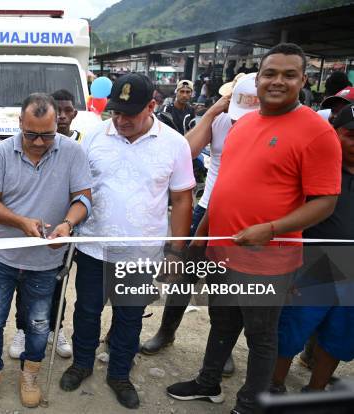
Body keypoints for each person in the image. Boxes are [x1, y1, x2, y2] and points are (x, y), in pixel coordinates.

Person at [166, 43, 342, 414]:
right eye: (270, 73)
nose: (277, 81)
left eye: (288, 74)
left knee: (262, 335)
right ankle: (207, 382)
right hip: (221, 248)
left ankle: (251, 404)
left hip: (268, 257)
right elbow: (223, 185)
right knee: (222, 319)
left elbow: (325, 202)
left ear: (303, 81)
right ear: (257, 79)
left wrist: (272, 228)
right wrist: (202, 236)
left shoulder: (316, 132)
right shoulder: (244, 125)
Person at [60, 73, 195, 409]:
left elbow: (181, 200)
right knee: (87, 311)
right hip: (93, 247)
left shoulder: (174, 144)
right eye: (116, 112)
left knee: (130, 315)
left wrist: (176, 252)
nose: (120, 121)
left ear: (152, 105)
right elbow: (78, 189)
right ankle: (82, 364)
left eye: (129, 114)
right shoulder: (93, 137)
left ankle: (120, 373)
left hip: (142, 252)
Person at [0, 93, 92, 412]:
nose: (39, 142)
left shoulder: (72, 152)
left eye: (48, 134)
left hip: (45, 260)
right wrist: (21, 222)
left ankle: (30, 375)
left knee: (39, 323)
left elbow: (84, 198)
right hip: (0, 257)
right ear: (20, 123)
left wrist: (67, 224)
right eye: (32, 133)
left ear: (58, 125)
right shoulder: (0, 152)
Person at [141, 72, 260, 377]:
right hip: (207, 208)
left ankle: (223, 347)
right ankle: (166, 332)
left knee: (227, 284)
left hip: (246, 217)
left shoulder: (268, 127)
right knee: (187, 275)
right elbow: (183, 154)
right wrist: (210, 113)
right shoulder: (220, 120)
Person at [270, 103, 354, 394]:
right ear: (335, 133)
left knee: (340, 335)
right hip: (315, 264)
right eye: (351, 135)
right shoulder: (314, 168)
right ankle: (274, 385)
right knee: (292, 329)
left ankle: (316, 390)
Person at [9, 88, 80, 360]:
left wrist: (68, 224)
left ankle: (55, 328)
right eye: (57, 110)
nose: (62, 116)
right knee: (23, 285)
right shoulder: (21, 147)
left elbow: (82, 194)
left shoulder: (76, 147)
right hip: (27, 237)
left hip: (60, 237)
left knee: (57, 286)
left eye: (66, 111)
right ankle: (22, 329)